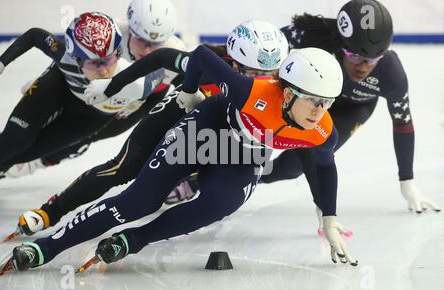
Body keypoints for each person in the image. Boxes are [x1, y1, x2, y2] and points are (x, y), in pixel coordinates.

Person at [0, 43, 361, 276]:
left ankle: (135, 240)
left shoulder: (320, 129)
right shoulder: (251, 91)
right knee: (137, 200)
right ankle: (47, 246)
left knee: (220, 203)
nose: (321, 111)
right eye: (314, 100)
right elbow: (202, 55)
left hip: (243, 153)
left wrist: (329, 217)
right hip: (209, 125)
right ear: (287, 93)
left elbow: (325, 166)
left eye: (327, 103)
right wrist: (187, 94)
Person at [4, 20, 289, 241]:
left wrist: (327, 214)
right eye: (252, 74)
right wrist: (113, 86)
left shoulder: (283, 88)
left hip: (221, 131)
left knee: (232, 163)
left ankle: (188, 183)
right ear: (234, 63)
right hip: (182, 109)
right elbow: (161, 57)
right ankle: (51, 211)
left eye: (271, 75)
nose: (262, 82)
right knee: (122, 167)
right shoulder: (212, 67)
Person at [167, 0, 441, 224]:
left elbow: (403, 123)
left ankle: (201, 181)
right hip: (302, 95)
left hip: (350, 109)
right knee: (248, 130)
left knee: (291, 167)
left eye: (372, 59)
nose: (363, 66)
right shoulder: (314, 36)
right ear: (340, 43)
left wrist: (408, 182)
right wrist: (207, 67)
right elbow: (263, 46)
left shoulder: (391, 74)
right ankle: (198, 168)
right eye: (354, 56)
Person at [0, 0, 185, 180]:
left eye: (158, 43)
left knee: (64, 144)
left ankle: (31, 164)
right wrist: (39, 80)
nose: (148, 50)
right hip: (72, 85)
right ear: (130, 30)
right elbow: (59, 47)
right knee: (14, 141)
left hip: (116, 105)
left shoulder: (172, 54)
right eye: (142, 40)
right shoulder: (110, 33)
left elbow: (185, 95)